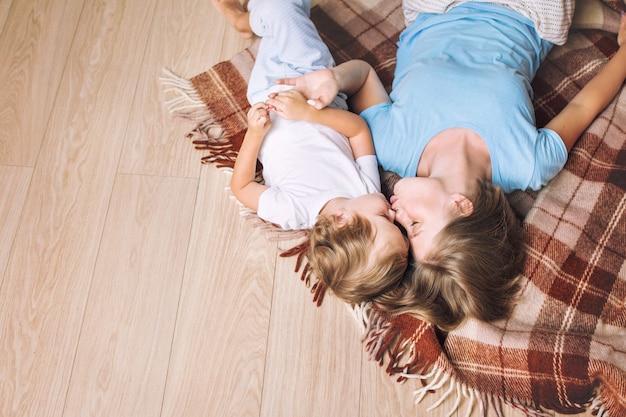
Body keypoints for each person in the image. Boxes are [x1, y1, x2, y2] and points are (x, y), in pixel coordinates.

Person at [277, 1, 626, 330]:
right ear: (460, 206)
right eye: (415, 225)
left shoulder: (390, 145)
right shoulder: (528, 164)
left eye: (402, 227)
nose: (397, 215)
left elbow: (364, 77)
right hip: (526, 10)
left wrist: (335, 79)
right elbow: (583, 107)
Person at [212, 0, 409, 305]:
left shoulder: (293, 211)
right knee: (284, 13)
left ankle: (244, 21)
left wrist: (254, 135)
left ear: (343, 219)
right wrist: (308, 114)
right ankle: (252, 19)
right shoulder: (366, 189)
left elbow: (242, 187)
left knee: (281, 15)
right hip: (316, 86)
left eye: (386, 218)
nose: (395, 212)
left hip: (267, 93)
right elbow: (357, 130)